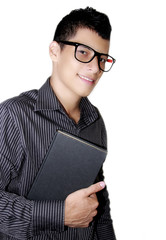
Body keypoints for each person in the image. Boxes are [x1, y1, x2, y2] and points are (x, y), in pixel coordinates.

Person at [0, 7, 116, 240]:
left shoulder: (95, 121)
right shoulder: (13, 115)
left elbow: (100, 206)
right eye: (83, 53)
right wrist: (59, 214)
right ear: (55, 51)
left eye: (102, 59)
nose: (95, 68)